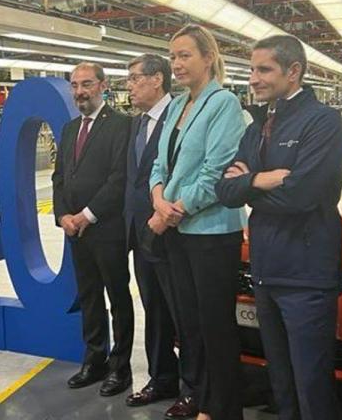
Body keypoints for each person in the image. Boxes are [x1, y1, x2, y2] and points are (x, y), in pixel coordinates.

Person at [216, 35, 342, 420]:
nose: (253, 79)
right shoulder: (259, 124)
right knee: (281, 380)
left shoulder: (323, 122)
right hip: (266, 271)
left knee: (312, 383)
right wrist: (260, 180)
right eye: (251, 69)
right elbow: (224, 189)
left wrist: (247, 184)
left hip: (306, 274)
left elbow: (301, 196)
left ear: (293, 72)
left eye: (263, 69)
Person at [149, 25, 246, 420]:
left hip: (210, 233)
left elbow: (214, 172)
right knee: (189, 325)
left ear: (208, 57)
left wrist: (172, 212)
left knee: (214, 325)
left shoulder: (224, 104)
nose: (177, 64)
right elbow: (159, 164)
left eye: (185, 55)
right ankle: (203, 400)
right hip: (176, 230)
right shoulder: (175, 105)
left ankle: (223, 408)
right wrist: (158, 200)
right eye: (173, 57)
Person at [52, 62, 133, 397]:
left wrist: (87, 214)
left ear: (102, 86)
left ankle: (120, 367)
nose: (79, 92)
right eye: (74, 85)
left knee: (117, 297)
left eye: (86, 84)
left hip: (106, 229)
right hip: (75, 231)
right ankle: (94, 359)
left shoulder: (121, 125)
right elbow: (60, 178)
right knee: (88, 296)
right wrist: (63, 216)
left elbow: (119, 178)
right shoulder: (70, 128)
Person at [123, 54, 195, 415]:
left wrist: (164, 214)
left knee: (183, 311)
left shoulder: (180, 117)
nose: (130, 85)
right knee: (153, 309)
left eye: (135, 78)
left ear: (157, 80)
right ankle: (161, 377)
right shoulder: (138, 124)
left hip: (171, 231)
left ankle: (194, 388)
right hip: (141, 234)